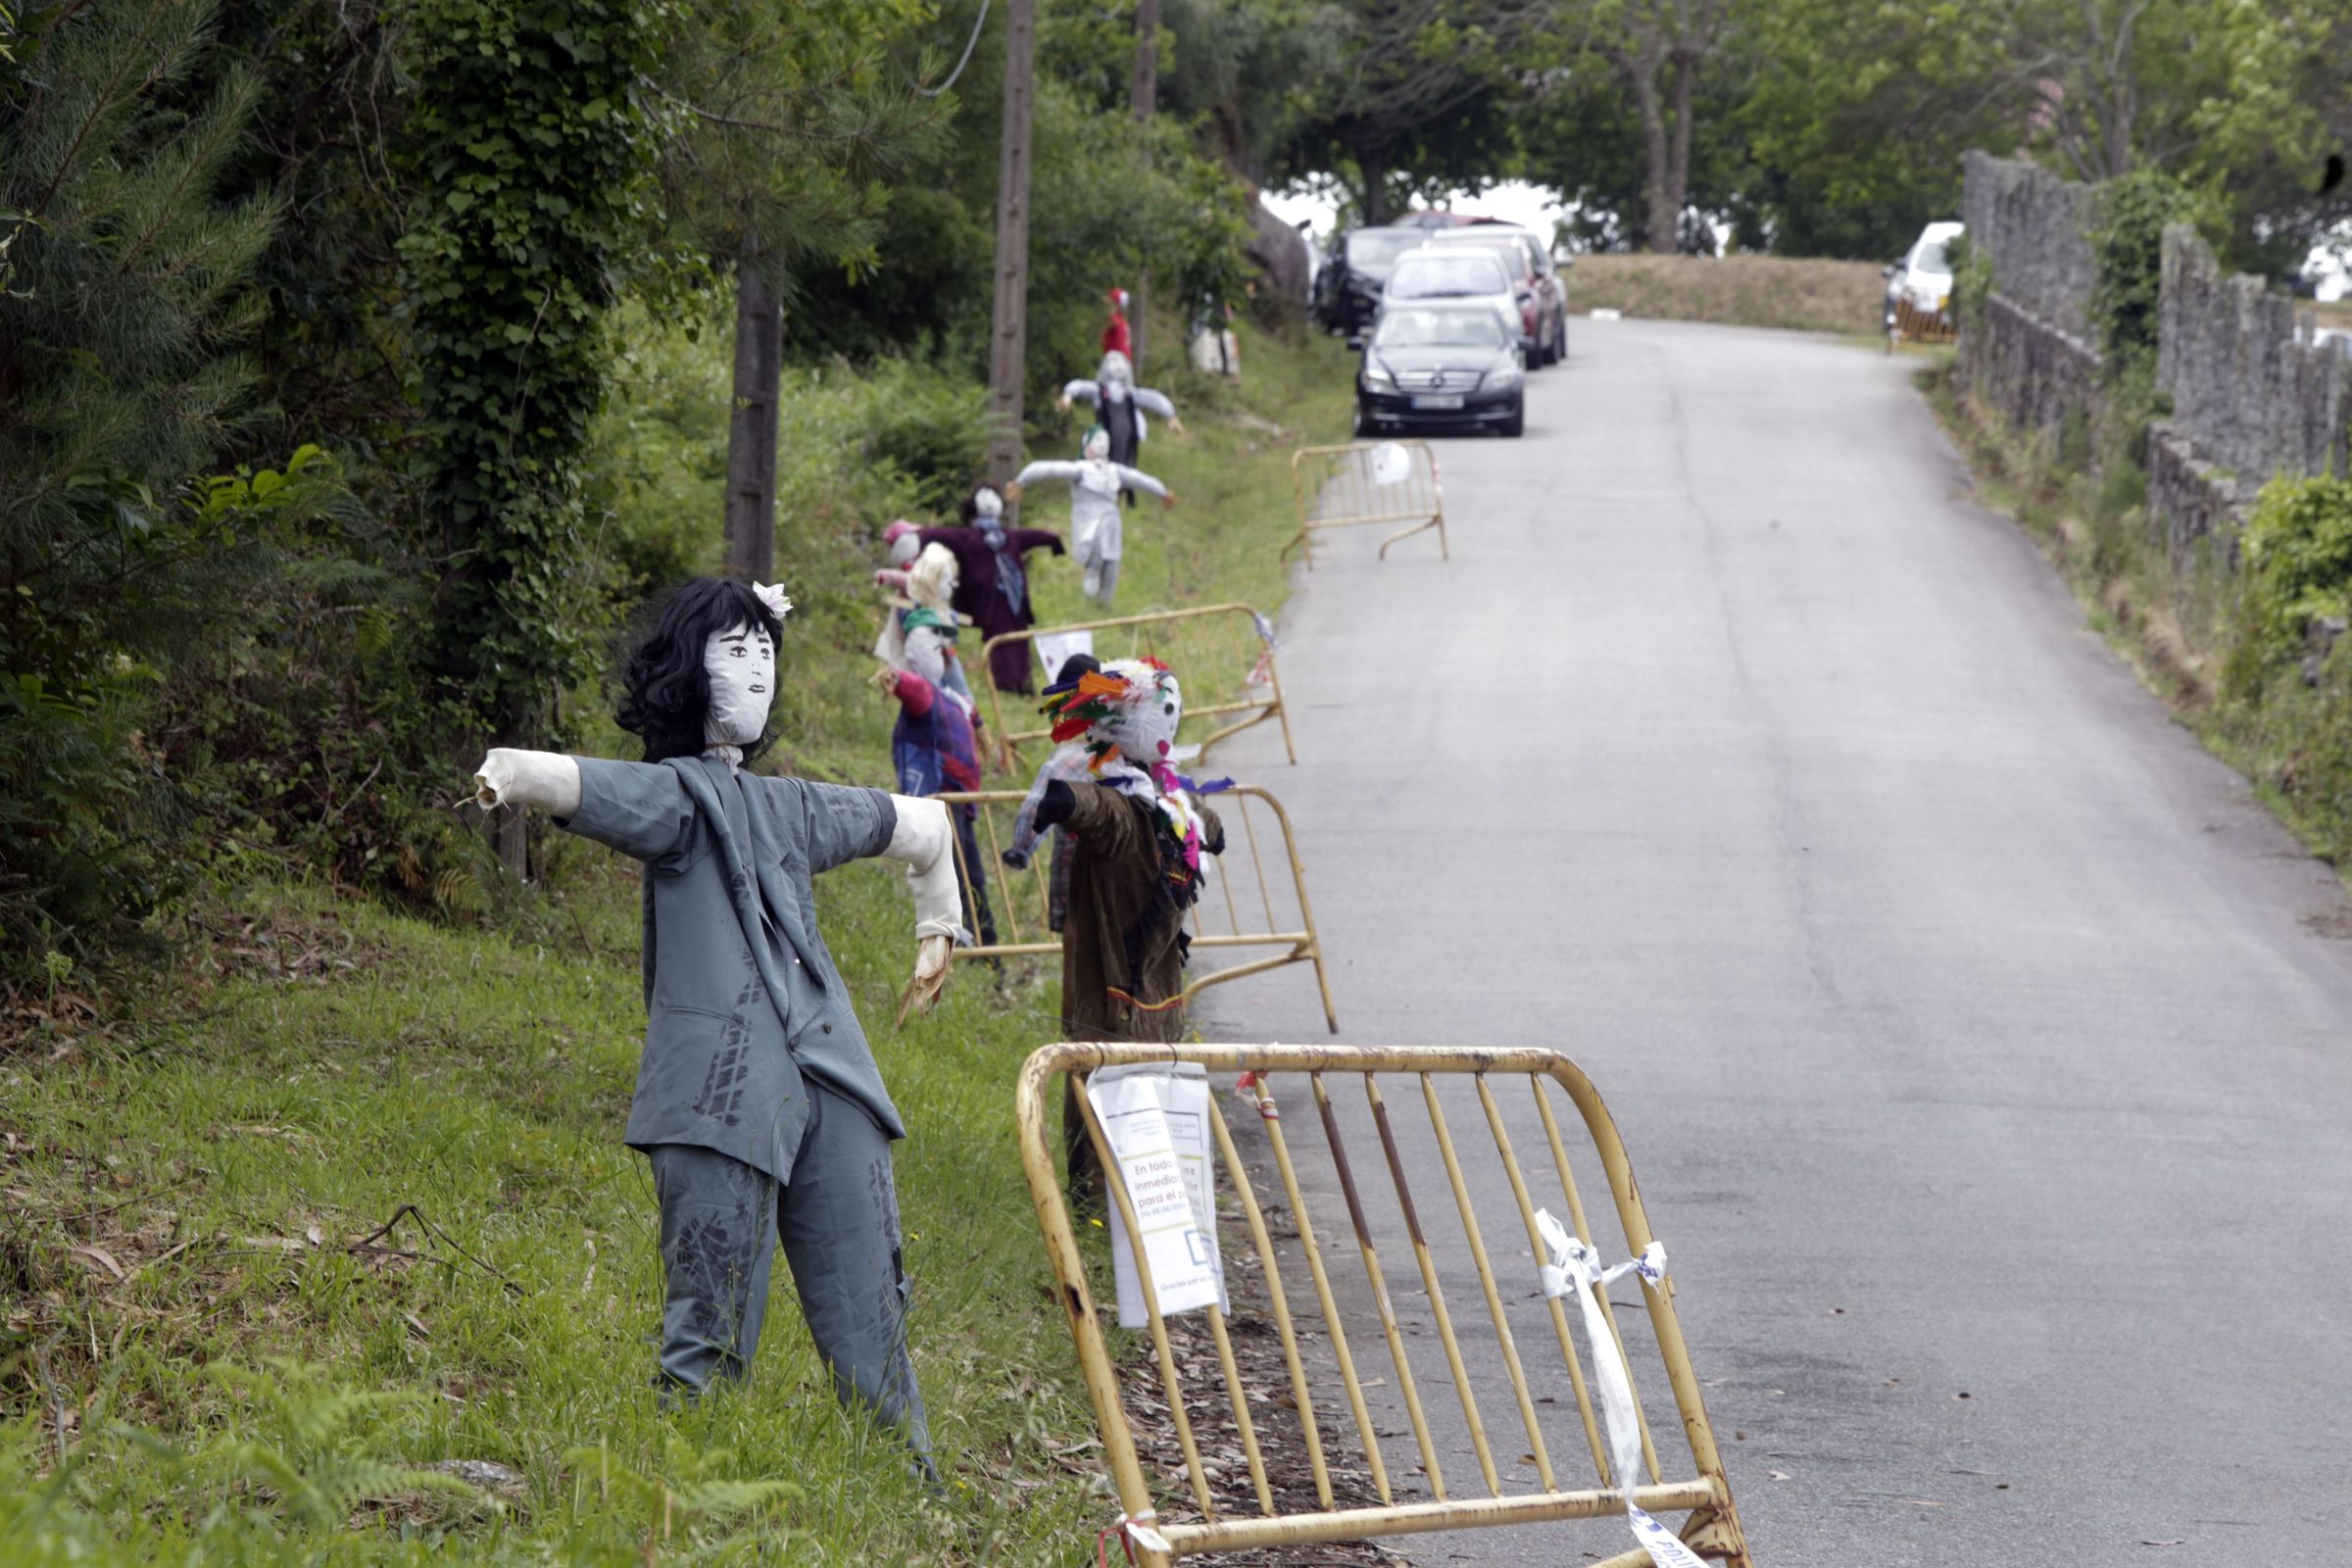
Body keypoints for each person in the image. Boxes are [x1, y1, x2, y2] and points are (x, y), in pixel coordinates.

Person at [468, 576, 956, 1469]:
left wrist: (940, 926)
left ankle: (910, 1486)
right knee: (709, 1326)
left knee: (876, 1318)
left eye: (765, 651)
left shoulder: (791, 807)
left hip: (836, 1076)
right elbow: (594, 788)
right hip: (723, 1084)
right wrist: (512, 772)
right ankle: (683, 1499)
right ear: (691, 671)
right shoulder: (681, 802)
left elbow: (923, 825)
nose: (755, 671)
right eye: (734, 652)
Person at [1009, 658, 1227, 1188]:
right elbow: (1096, 810)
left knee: (1152, 1060)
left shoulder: (1169, 795)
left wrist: (1211, 829)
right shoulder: (1116, 795)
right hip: (1108, 969)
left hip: (1158, 956)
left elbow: (1203, 823)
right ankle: (1090, 1191)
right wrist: (1064, 804)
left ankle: (1152, 1179)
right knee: (1094, 1061)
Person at [874, 544, 996, 950]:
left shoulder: (950, 690)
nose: (932, 655)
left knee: (970, 868)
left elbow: (960, 698)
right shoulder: (926, 686)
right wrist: (898, 678)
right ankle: (955, 933)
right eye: (923, 650)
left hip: (960, 789)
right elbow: (915, 690)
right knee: (953, 866)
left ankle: (985, 941)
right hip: (940, 787)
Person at [914, 484, 1064, 696]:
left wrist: (1054, 542)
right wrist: (915, 536)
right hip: (991, 599)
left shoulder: (1006, 536)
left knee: (1018, 639)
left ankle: (1021, 684)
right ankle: (1005, 685)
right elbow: (941, 534)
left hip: (1011, 598)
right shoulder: (972, 537)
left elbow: (1035, 536)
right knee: (999, 641)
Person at [1008, 427, 1174, 610]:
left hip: (1111, 525)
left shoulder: (1114, 470)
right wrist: (1022, 480)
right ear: (1087, 446)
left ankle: (1105, 607)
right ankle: (1091, 607)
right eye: (1098, 439)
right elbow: (1050, 469)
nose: (1103, 443)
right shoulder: (1081, 470)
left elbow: (1139, 479)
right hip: (1090, 525)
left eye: (1105, 439)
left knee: (1112, 566)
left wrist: (1162, 491)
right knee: (1094, 566)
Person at [1057, 349, 1181, 501]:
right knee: (1103, 464)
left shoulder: (1129, 393)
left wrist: (1170, 414)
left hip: (1128, 439)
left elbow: (1152, 398)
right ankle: (1098, 490)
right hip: (1105, 438)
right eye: (1114, 362)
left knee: (1125, 468)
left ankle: (1122, 492)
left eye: (1122, 362)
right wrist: (1068, 394)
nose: (1118, 366)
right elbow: (1080, 386)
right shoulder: (1099, 390)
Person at [1101, 286, 1133, 358]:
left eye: (1110, 302)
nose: (1106, 305)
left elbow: (1114, 323)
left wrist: (1111, 313)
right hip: (1125, 361)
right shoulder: (1124, 322)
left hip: (1115, 360)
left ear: (1115, 304)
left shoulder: (1115, 318)